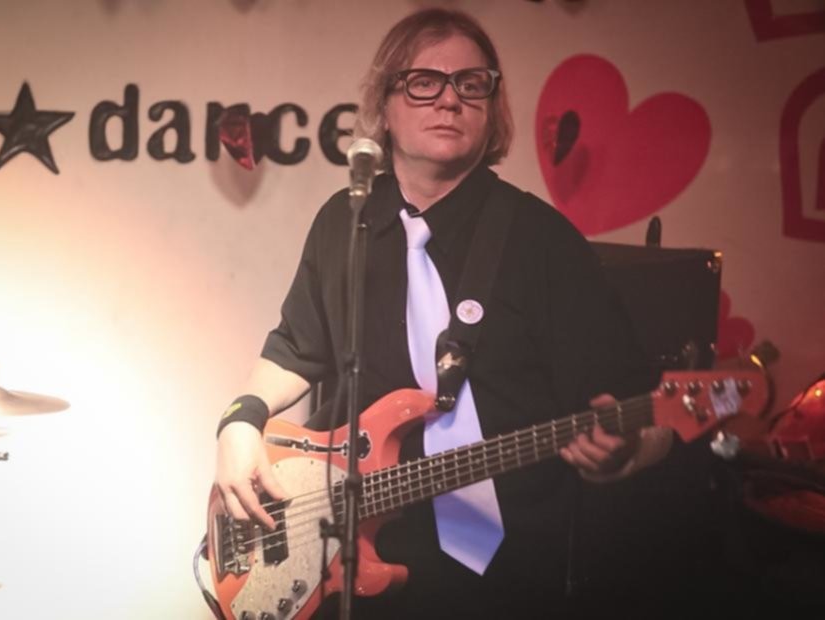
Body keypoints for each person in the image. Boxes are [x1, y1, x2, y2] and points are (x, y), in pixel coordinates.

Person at [214, 8, 673, 618]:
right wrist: (239, 423)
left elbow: (652, 413)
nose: (450, 100)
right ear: (385, 104)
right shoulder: (344, 222)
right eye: (424, 82)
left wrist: (625, 450)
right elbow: (295, 349)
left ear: (491, 106)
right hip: (354, 564)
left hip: (512, 578)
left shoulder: (544, 242)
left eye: (471, 83)